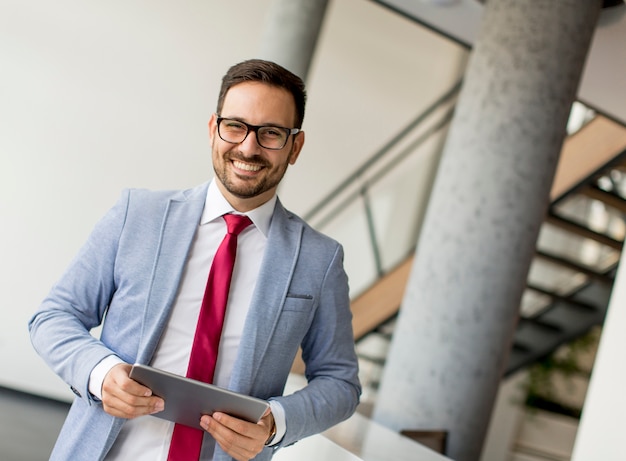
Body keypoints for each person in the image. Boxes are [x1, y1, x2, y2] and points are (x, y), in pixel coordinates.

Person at [29, 59, 361, 461]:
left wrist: (276, 422)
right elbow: (54, 317)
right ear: (212, 129)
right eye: (235, 126)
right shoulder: (137, 214)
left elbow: (340, 382)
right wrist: (100, 374)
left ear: (295, 146)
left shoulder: (319, 259)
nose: (249, 147)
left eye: (271, 133)